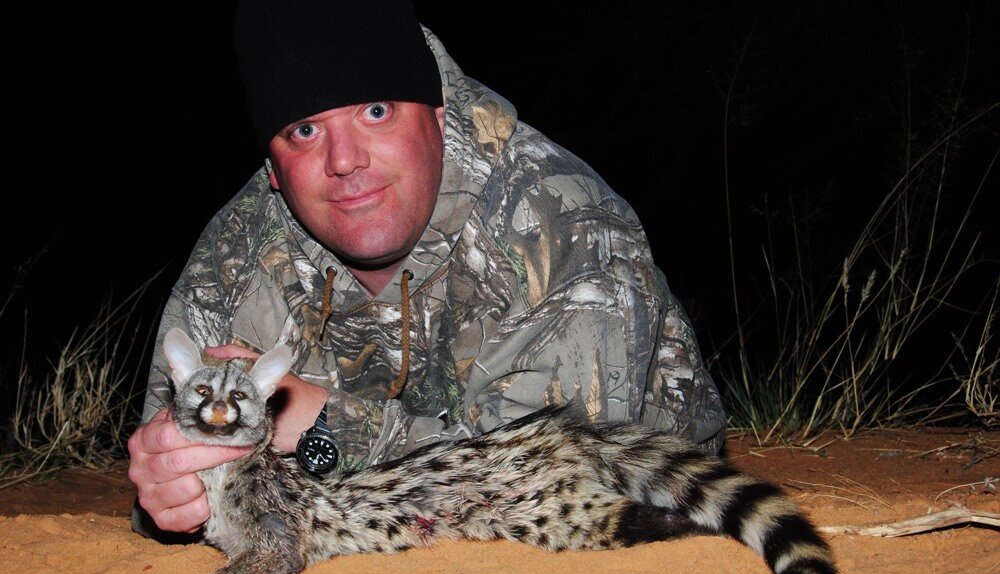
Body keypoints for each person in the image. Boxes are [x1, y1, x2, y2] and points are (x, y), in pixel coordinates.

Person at [128, 0, 726, 540]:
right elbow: (163, 473)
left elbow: (540, 489)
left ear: (439, 115)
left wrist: (329, 428)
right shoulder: (235, 256)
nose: (343, 161)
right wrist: (170, 488)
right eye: (304, 130)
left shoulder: (559, 222)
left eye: (376, 110)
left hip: (618, 524)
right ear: (275, 168)